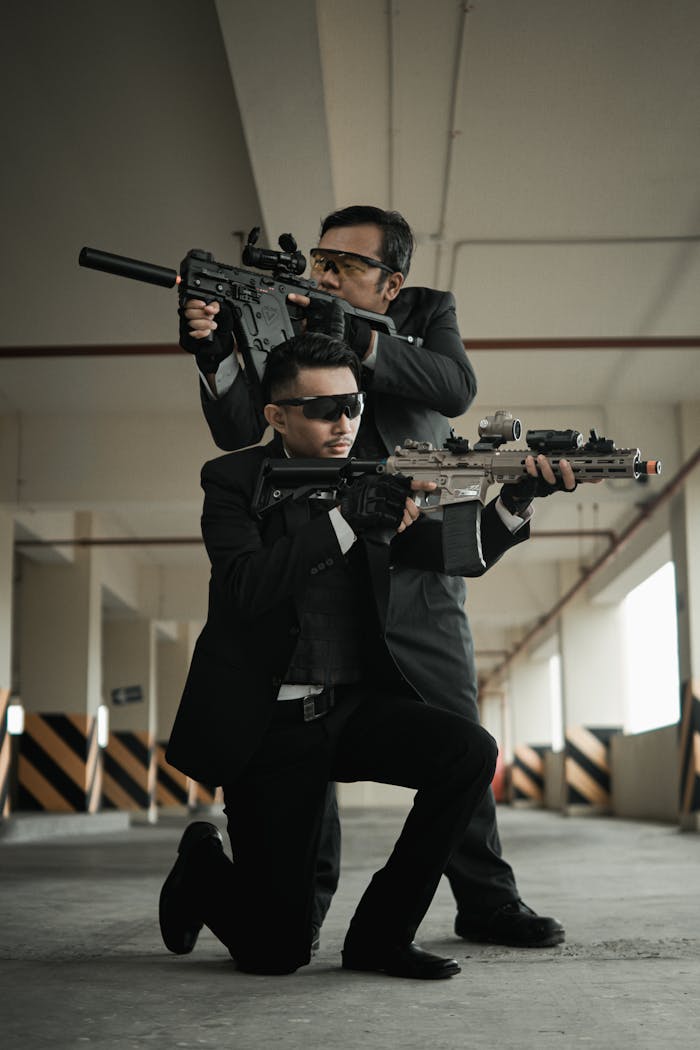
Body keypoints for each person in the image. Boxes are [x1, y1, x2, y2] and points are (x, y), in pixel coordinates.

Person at [179, 204, 565, 950]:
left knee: (458, 732)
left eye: (347, 266)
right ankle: (306, 901)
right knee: (309, 714)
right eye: (321, 261)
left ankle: (486, 900)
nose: (326, 274)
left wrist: (355, 338)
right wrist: (214, 351)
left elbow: (454, 387)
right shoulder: (288, 325)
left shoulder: (427, 314)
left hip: (419, 545)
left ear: (393, 285)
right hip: (324, 539)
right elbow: (236, 429)